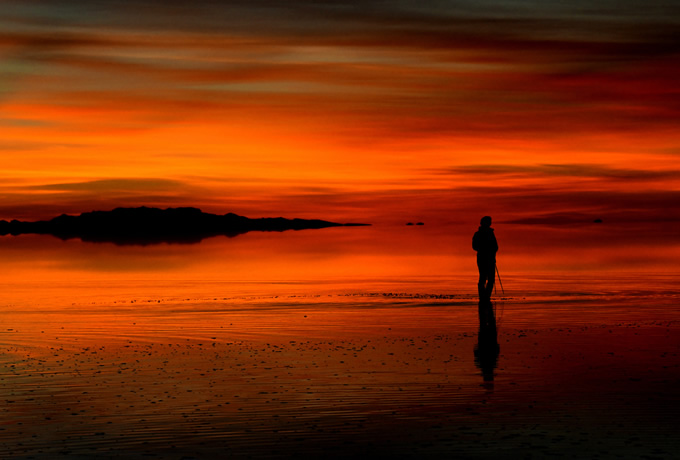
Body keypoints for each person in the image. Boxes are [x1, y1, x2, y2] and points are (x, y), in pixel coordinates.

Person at [472, 216, 498, 303]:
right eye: (489, 222)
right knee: (484, 277)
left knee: (489, 279)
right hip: (484, 258)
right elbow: (475, 246)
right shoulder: (479, 234)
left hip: (488, 258)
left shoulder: (489, 233)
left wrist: (492, 251)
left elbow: (495, 246)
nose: (490, 223)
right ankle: (484, 297)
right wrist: (487, 250)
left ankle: (485, 297)